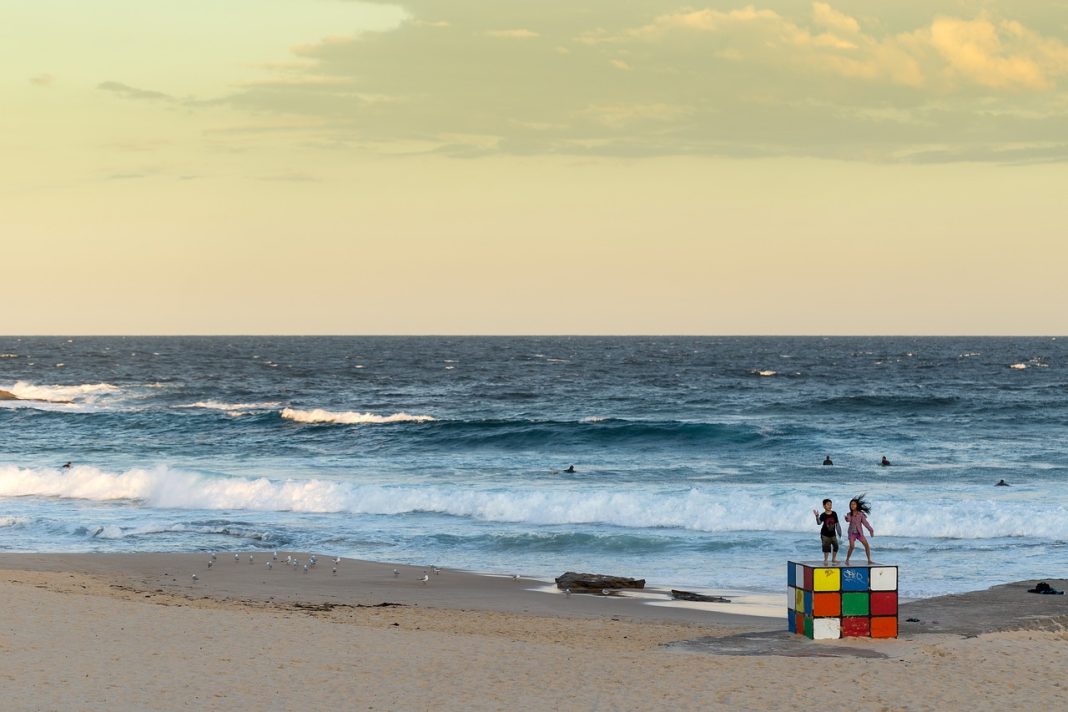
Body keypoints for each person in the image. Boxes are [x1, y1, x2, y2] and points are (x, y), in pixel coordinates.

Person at [844, 494, 875, 565]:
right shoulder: (849, 514)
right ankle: (847, 559)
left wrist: (871, 530)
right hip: (851, 533)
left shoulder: (861, 514)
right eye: (851, 504)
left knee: (866, 545)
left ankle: (869, 560)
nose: (852, 506)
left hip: (859, 533)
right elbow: (848, 520)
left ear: (857, 505)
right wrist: (846, 518)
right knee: (852, 546)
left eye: (854, 504)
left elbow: (865, 523)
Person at [812, 499, 842, 565]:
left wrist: (839, 531)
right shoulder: (823, 515)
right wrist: (817, 516)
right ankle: (825, 559)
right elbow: (819, 523)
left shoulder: (834, 513)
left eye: (830, 504)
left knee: (836, 546)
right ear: (824, 506)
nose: (830, 506)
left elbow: (837, 523)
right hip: (825, 534)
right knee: (826, 547)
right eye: (828, 504)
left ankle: (834, 559)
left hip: (833, 534)